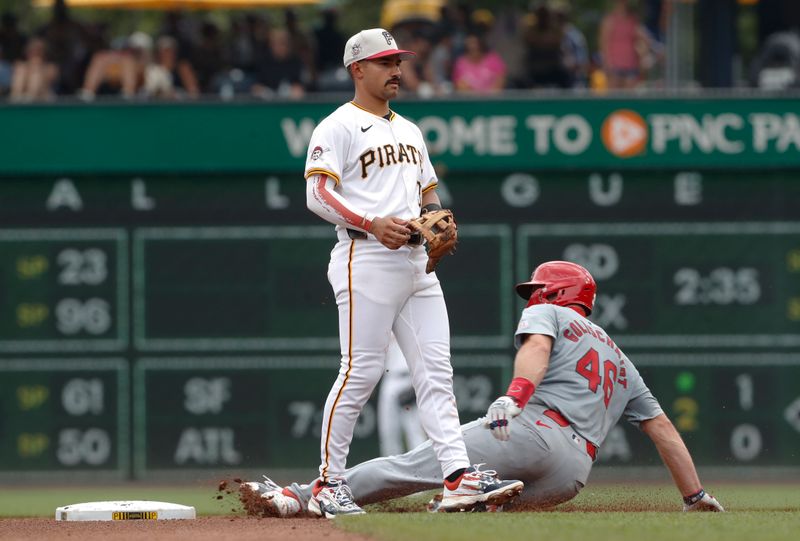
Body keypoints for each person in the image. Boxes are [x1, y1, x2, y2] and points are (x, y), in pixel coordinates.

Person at [240, 261, 725, 515]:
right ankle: (480, 497)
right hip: (573, 474)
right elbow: (662, 430)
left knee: (412, 468)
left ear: (556, 295)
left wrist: (515, 396)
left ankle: (305, 496)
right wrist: (694, 494)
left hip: (531, 433)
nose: (532, 296)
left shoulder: (550, 314)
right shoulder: (621, 360)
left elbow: (535, 349)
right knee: (461, 509)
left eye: (537, 290)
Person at [298, 27, 523, 518]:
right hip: (365, 256)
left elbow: (428, 194)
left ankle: (458, 477)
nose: (396, 70)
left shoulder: (409, 130)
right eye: (385, 62)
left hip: (416, 262)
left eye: (397, 61)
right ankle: (328, 484)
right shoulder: (336, 126)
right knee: (360, 373)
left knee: (437, 373)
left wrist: (439, 217)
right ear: (358, 69)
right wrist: (370, 223)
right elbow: (317, 194)